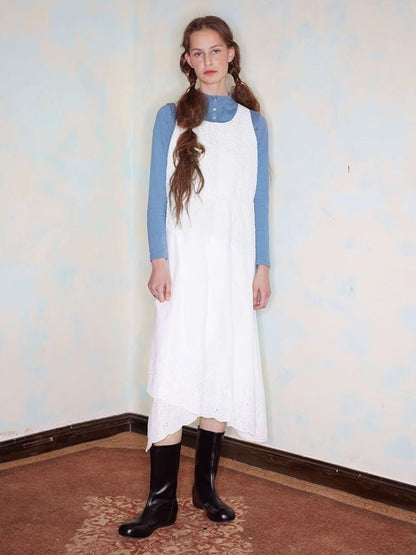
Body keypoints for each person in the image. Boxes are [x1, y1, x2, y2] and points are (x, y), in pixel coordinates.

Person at [119, 15, 271, 539]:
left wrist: (262, 266)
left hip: (233, 264)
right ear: (187, 59)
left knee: (221, 362)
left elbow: (258, 201)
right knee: (177, 364)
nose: (208, 61)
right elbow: (155, 198)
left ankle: (205, 488)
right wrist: (159, 259)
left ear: (231, 54)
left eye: (216, 51)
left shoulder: (253, 124)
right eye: (197, 53)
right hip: (183, 263)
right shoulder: (171, 117)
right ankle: (161, 501)